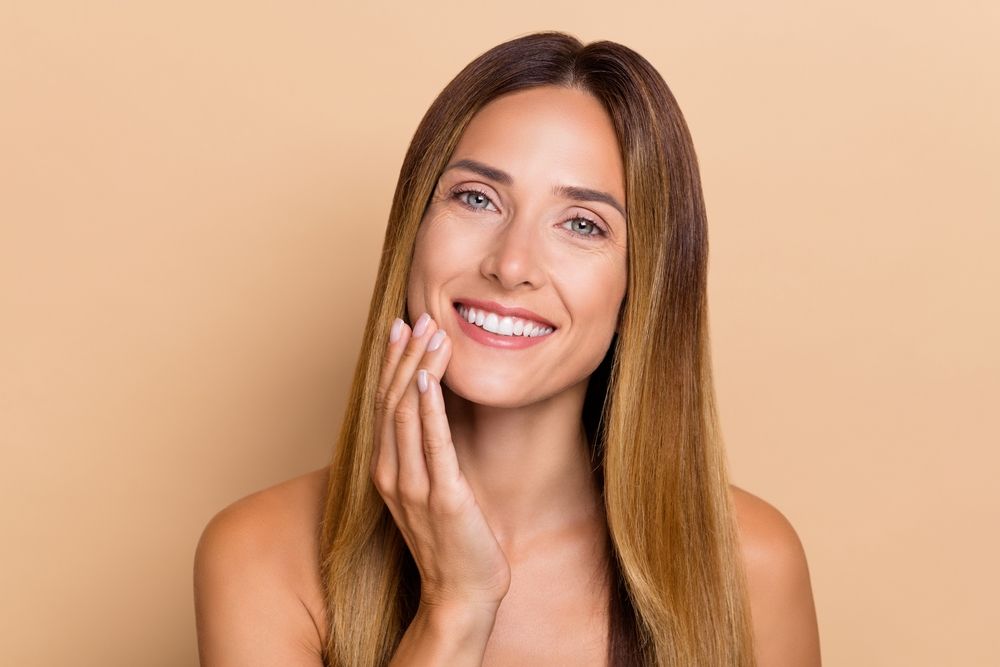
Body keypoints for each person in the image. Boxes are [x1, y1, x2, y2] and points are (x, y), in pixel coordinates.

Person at [193, 31, 821, 666]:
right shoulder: (263, 552)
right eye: (477, 198)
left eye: (582, 223)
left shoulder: (750, 565)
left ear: (642, 286)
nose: (512, 263)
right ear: (413, 231)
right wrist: (454, 607)